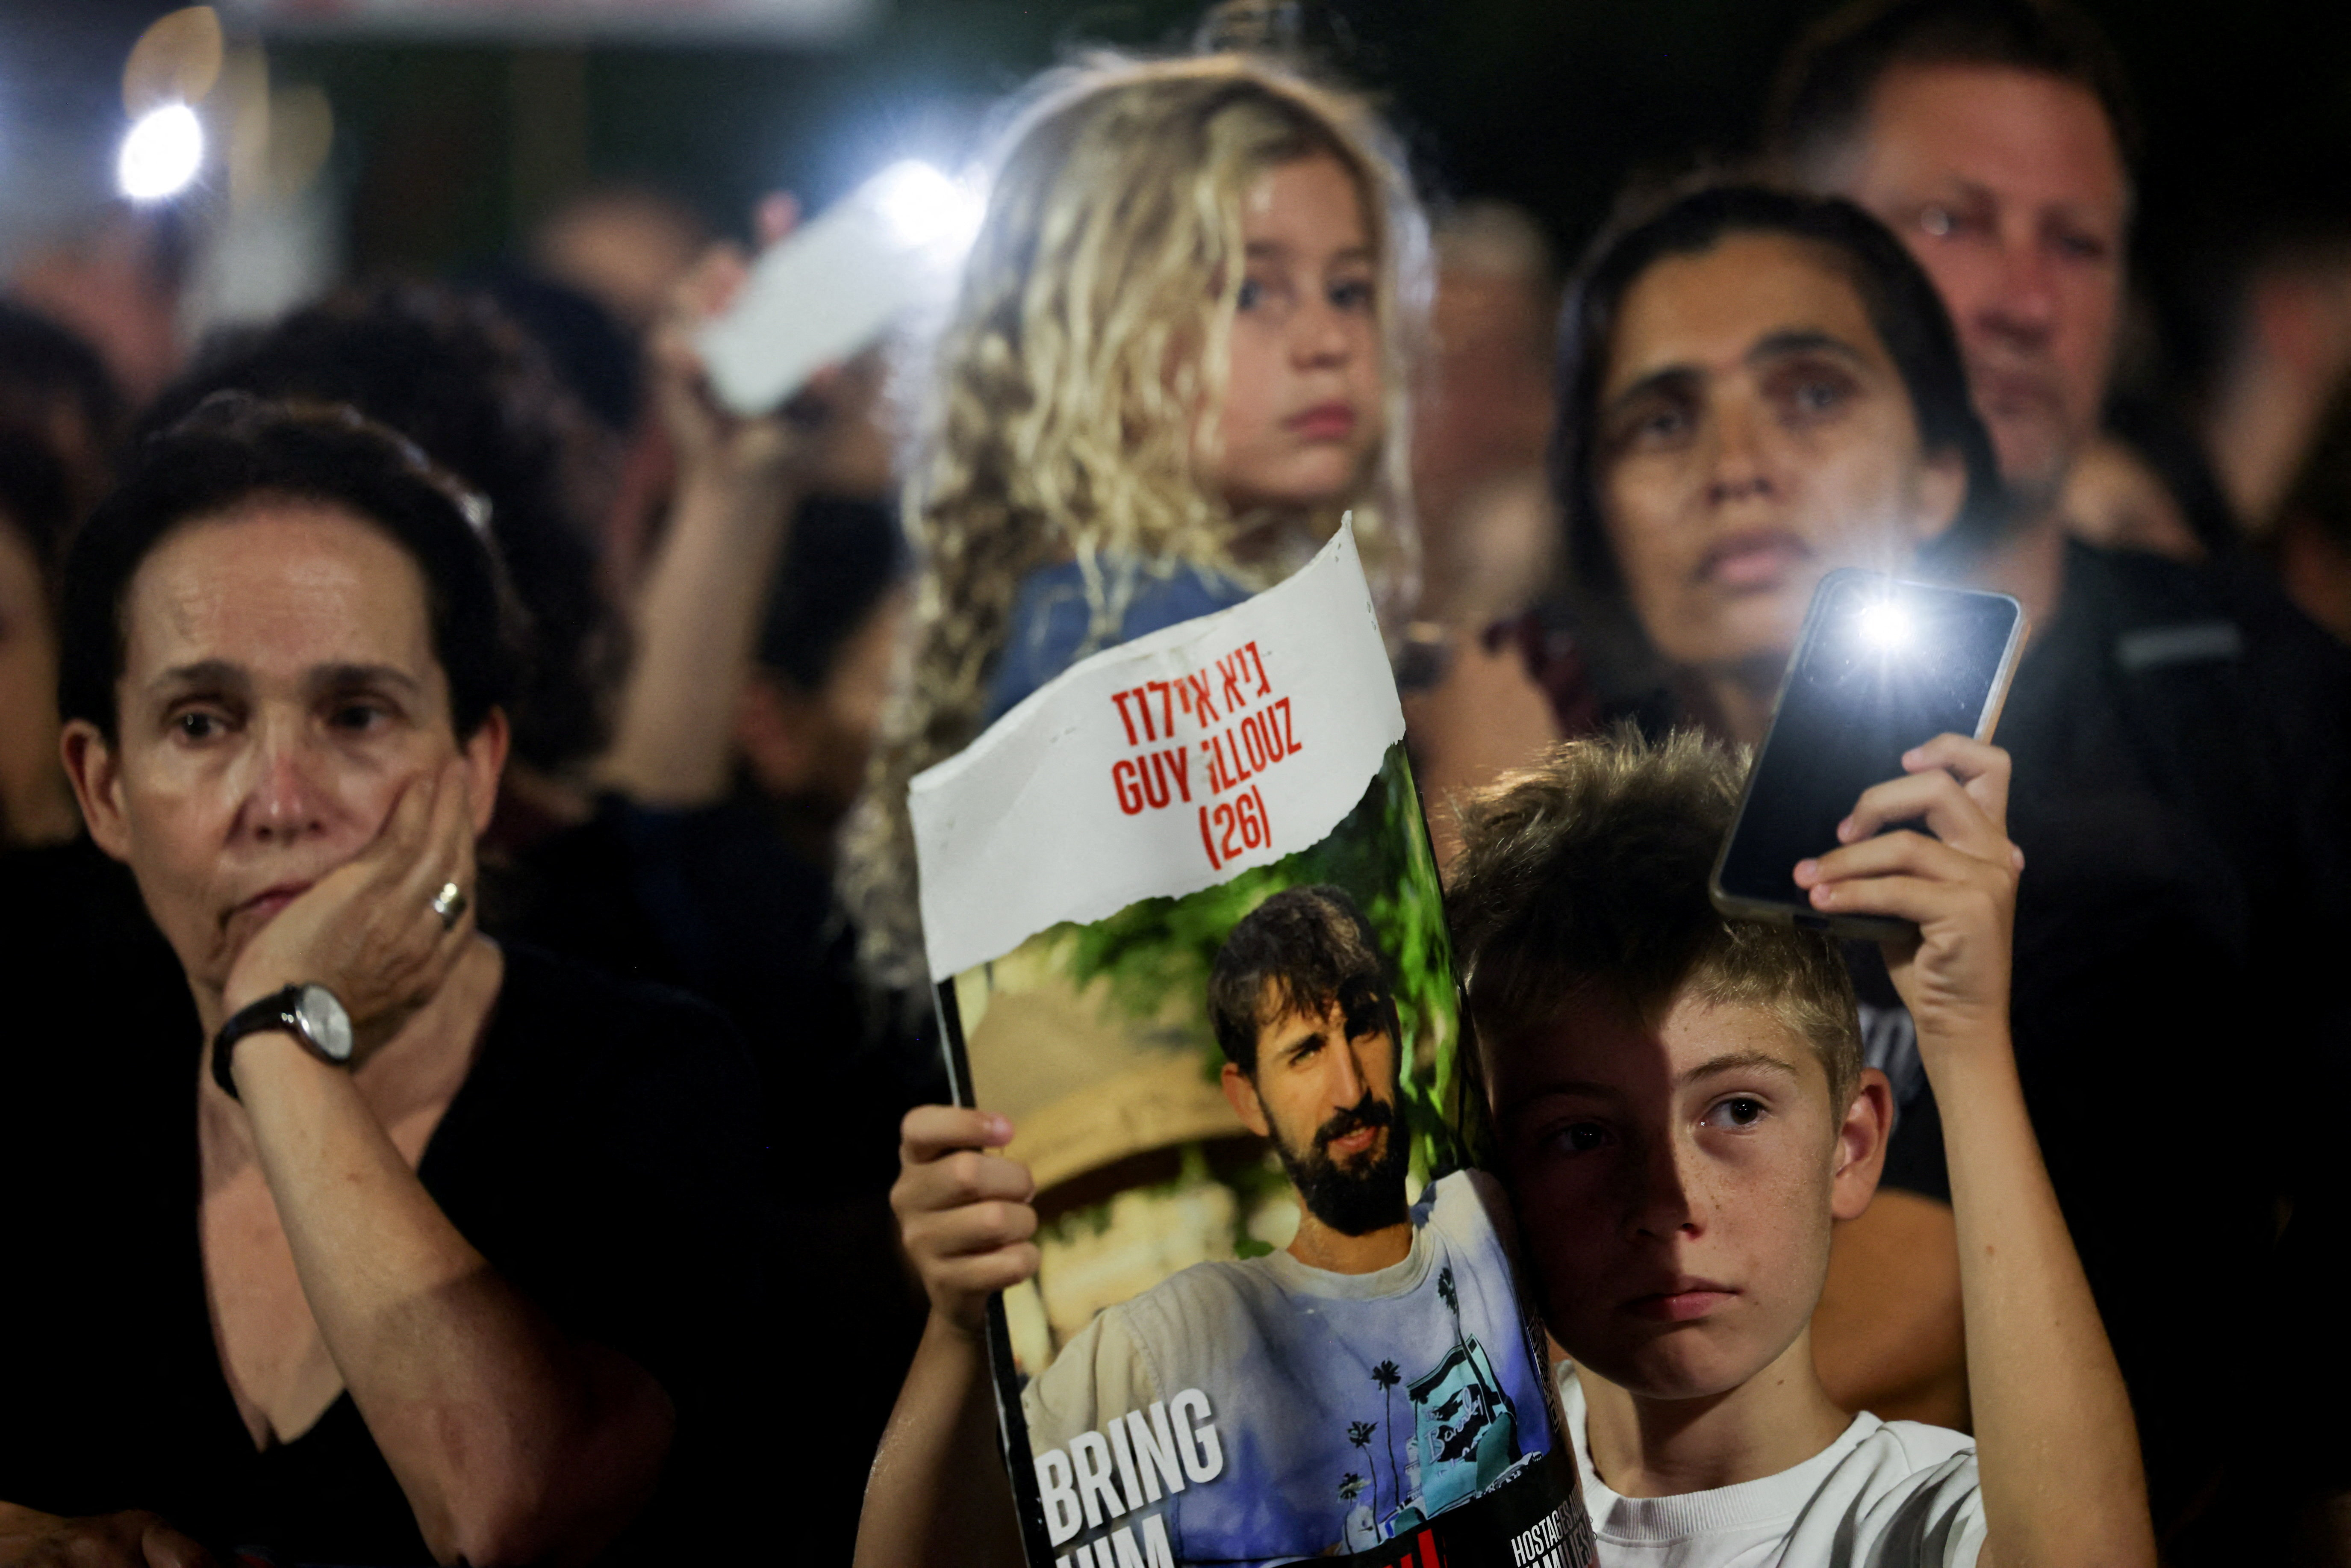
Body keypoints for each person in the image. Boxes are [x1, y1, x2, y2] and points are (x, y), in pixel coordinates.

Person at [0, 396, 766, 1567]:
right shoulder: (42, 1051)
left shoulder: (639, 1073)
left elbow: (511, 1507)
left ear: (474, 771)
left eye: (355, 715)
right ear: (102, 789)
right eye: (202, 723)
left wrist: (281, 1035)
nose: (281, 799)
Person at [1764, 3, 2351, 1531]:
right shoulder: (1606, 692)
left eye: (2076, 243)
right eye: (1953, 221)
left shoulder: (2261, 684)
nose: (2023, 299)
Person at [1447, 728, 2153, 1568]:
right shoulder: (1451, 1488)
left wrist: (1961, 1034)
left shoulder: (1921, 1519)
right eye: (1581, 1135)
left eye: (1736, 1110)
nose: (1667, 1204)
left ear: (1849, 1145)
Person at [837, 48, 1425, 997]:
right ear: (1090, 317)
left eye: (1349, 289)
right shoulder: (1162, 633)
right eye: (1249, 290)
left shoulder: (1083, 607)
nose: (1327, 341)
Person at [861, 884, 1558, 1566]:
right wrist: (954, 1330)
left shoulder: (1478, 1220)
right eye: (1305, 1051)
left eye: (1364, 1025)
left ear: (1400, 1033)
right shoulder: (1176, 1340)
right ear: (1247, 1098)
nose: (1350, 1088)